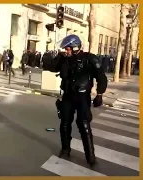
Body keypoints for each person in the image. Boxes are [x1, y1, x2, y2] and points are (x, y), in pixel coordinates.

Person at [43, 34, 108, 166]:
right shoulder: (63, 59)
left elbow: (101, 76)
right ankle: (66, 149)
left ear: (75, 47)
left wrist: (100, 93)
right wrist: (49, 57)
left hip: (82, 96)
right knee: (65, 123)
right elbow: (51, 67)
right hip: (67, 95)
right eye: (65, 49)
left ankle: (90, 156)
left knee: (83, 124)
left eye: (67, 49)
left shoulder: (89, 59)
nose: (65, 51)